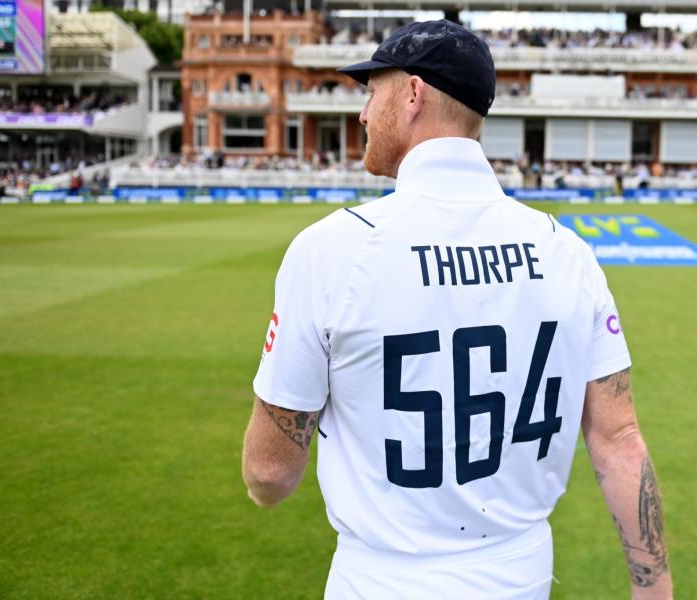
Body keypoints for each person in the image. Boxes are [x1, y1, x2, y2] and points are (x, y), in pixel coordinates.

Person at [242, 19, 673, 600]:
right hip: (521, 574)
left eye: (373, 91)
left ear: (413, 94)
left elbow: (269, 474)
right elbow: (619, 441)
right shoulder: (567, 252)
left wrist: (263, 486)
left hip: (382, 580)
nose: (364, 114)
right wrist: (654, 589)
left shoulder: (332, 249)